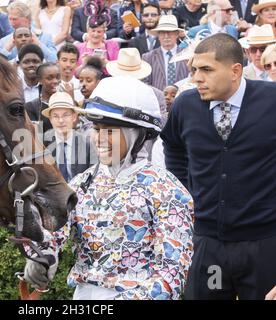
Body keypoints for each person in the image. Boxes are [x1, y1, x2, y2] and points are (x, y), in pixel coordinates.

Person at [23, 76, 194, 300]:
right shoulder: (82, 183)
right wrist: (42, 254)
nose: (99, 139)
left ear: (137, 134)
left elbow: (171, 272)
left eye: (110, 131)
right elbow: (55, 230)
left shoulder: (168, 190)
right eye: (96, 128)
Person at [161, 33, 276, 299]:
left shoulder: (271, 102)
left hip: (264, 245)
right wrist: (187, 192)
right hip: (209, 245)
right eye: (194, 69)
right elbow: (173, 146)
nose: (196, 78)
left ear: (235, 70)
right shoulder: (185, 105)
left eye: (206, 70)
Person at [42, 91, 97, 181]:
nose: (60, 120)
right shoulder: (43, 143)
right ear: (50, 119)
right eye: (55, 116)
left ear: (74, 117)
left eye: (65, 115)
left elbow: (93, 175)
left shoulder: (86, 143)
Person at [142, 15, 190, 90]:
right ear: (158, 35)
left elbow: (192, 80)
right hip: (158, 100)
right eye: (162, 32)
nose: (166, 36)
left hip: (183, 99)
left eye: (170, 32)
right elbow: (145, 83)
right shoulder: (148, 57)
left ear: (177, 34)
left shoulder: (187, 55)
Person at [25, 62, 61, 134]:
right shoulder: (31, 107)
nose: (55, 81)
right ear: (39, 80)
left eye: (58, 77)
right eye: (49, 78)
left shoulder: (68, 102)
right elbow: (37, 135)